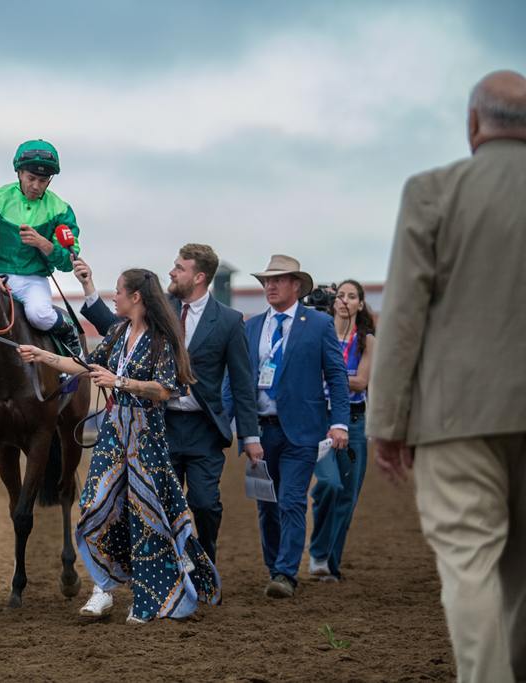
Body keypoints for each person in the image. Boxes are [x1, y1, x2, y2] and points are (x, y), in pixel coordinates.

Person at [369, 70, 526, 683]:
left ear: (473, 124)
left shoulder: (433, 191)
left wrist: (387, 422)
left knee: (470, 565)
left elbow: (404, 314)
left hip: (455, 418)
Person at [18, 268, 220, 623]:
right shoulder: (117, 331)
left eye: (120, 292)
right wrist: (42, 356)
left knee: (146, 515)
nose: (115, 297)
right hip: (113, 433)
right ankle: (103, 588)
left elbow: (163, 390)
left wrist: (121, 382)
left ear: (136, 298)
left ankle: (148, 597)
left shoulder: (162, 340)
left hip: (145, 437)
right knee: (95, 504)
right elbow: (85, 366)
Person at [74, 245, 262, 564]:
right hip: (159, 425)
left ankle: (204, 559)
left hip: (204, 429)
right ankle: (168, 566)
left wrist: (251, 437)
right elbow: (115, 327)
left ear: (199, 277)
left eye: (180, 268)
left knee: (204, 503)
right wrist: (88, 286)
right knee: (156, 502)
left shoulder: (229, 321)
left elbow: (243, 382)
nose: (172, 272)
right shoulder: (160, 309)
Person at [224, 254, 349, 599]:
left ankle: (285, 573)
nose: (271, 286)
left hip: (302, 431)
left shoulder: (319, 325)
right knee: (267, 505)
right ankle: (274, 565)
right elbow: (235, 379)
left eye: (278, 280)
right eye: (266, 281)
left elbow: (337, 377)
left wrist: (339, 422)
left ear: (297, 285)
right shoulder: (249, 327)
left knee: (292, 500)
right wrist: (222, 422)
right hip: (258, 432)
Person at [0, 139, 82, 356]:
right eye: (31, 178)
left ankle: (69, 334)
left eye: (43, 180)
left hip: (33, 280)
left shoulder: (61, 210)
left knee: (39, 314)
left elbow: (69, 262)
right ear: (19, 173)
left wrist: (44, 244)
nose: (36, 186)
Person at [308, 280, 375, 582]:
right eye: (341, 295)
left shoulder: (367, 340)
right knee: (328, 485)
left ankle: (328, 565)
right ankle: (319, 552)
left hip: (355, 420)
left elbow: (361, 382)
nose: (345, 300)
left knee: (347, 495)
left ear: (360, 304)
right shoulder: (320, 333)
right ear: (333, 302)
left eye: (352, 296)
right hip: (323, 418)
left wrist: (331, 374)